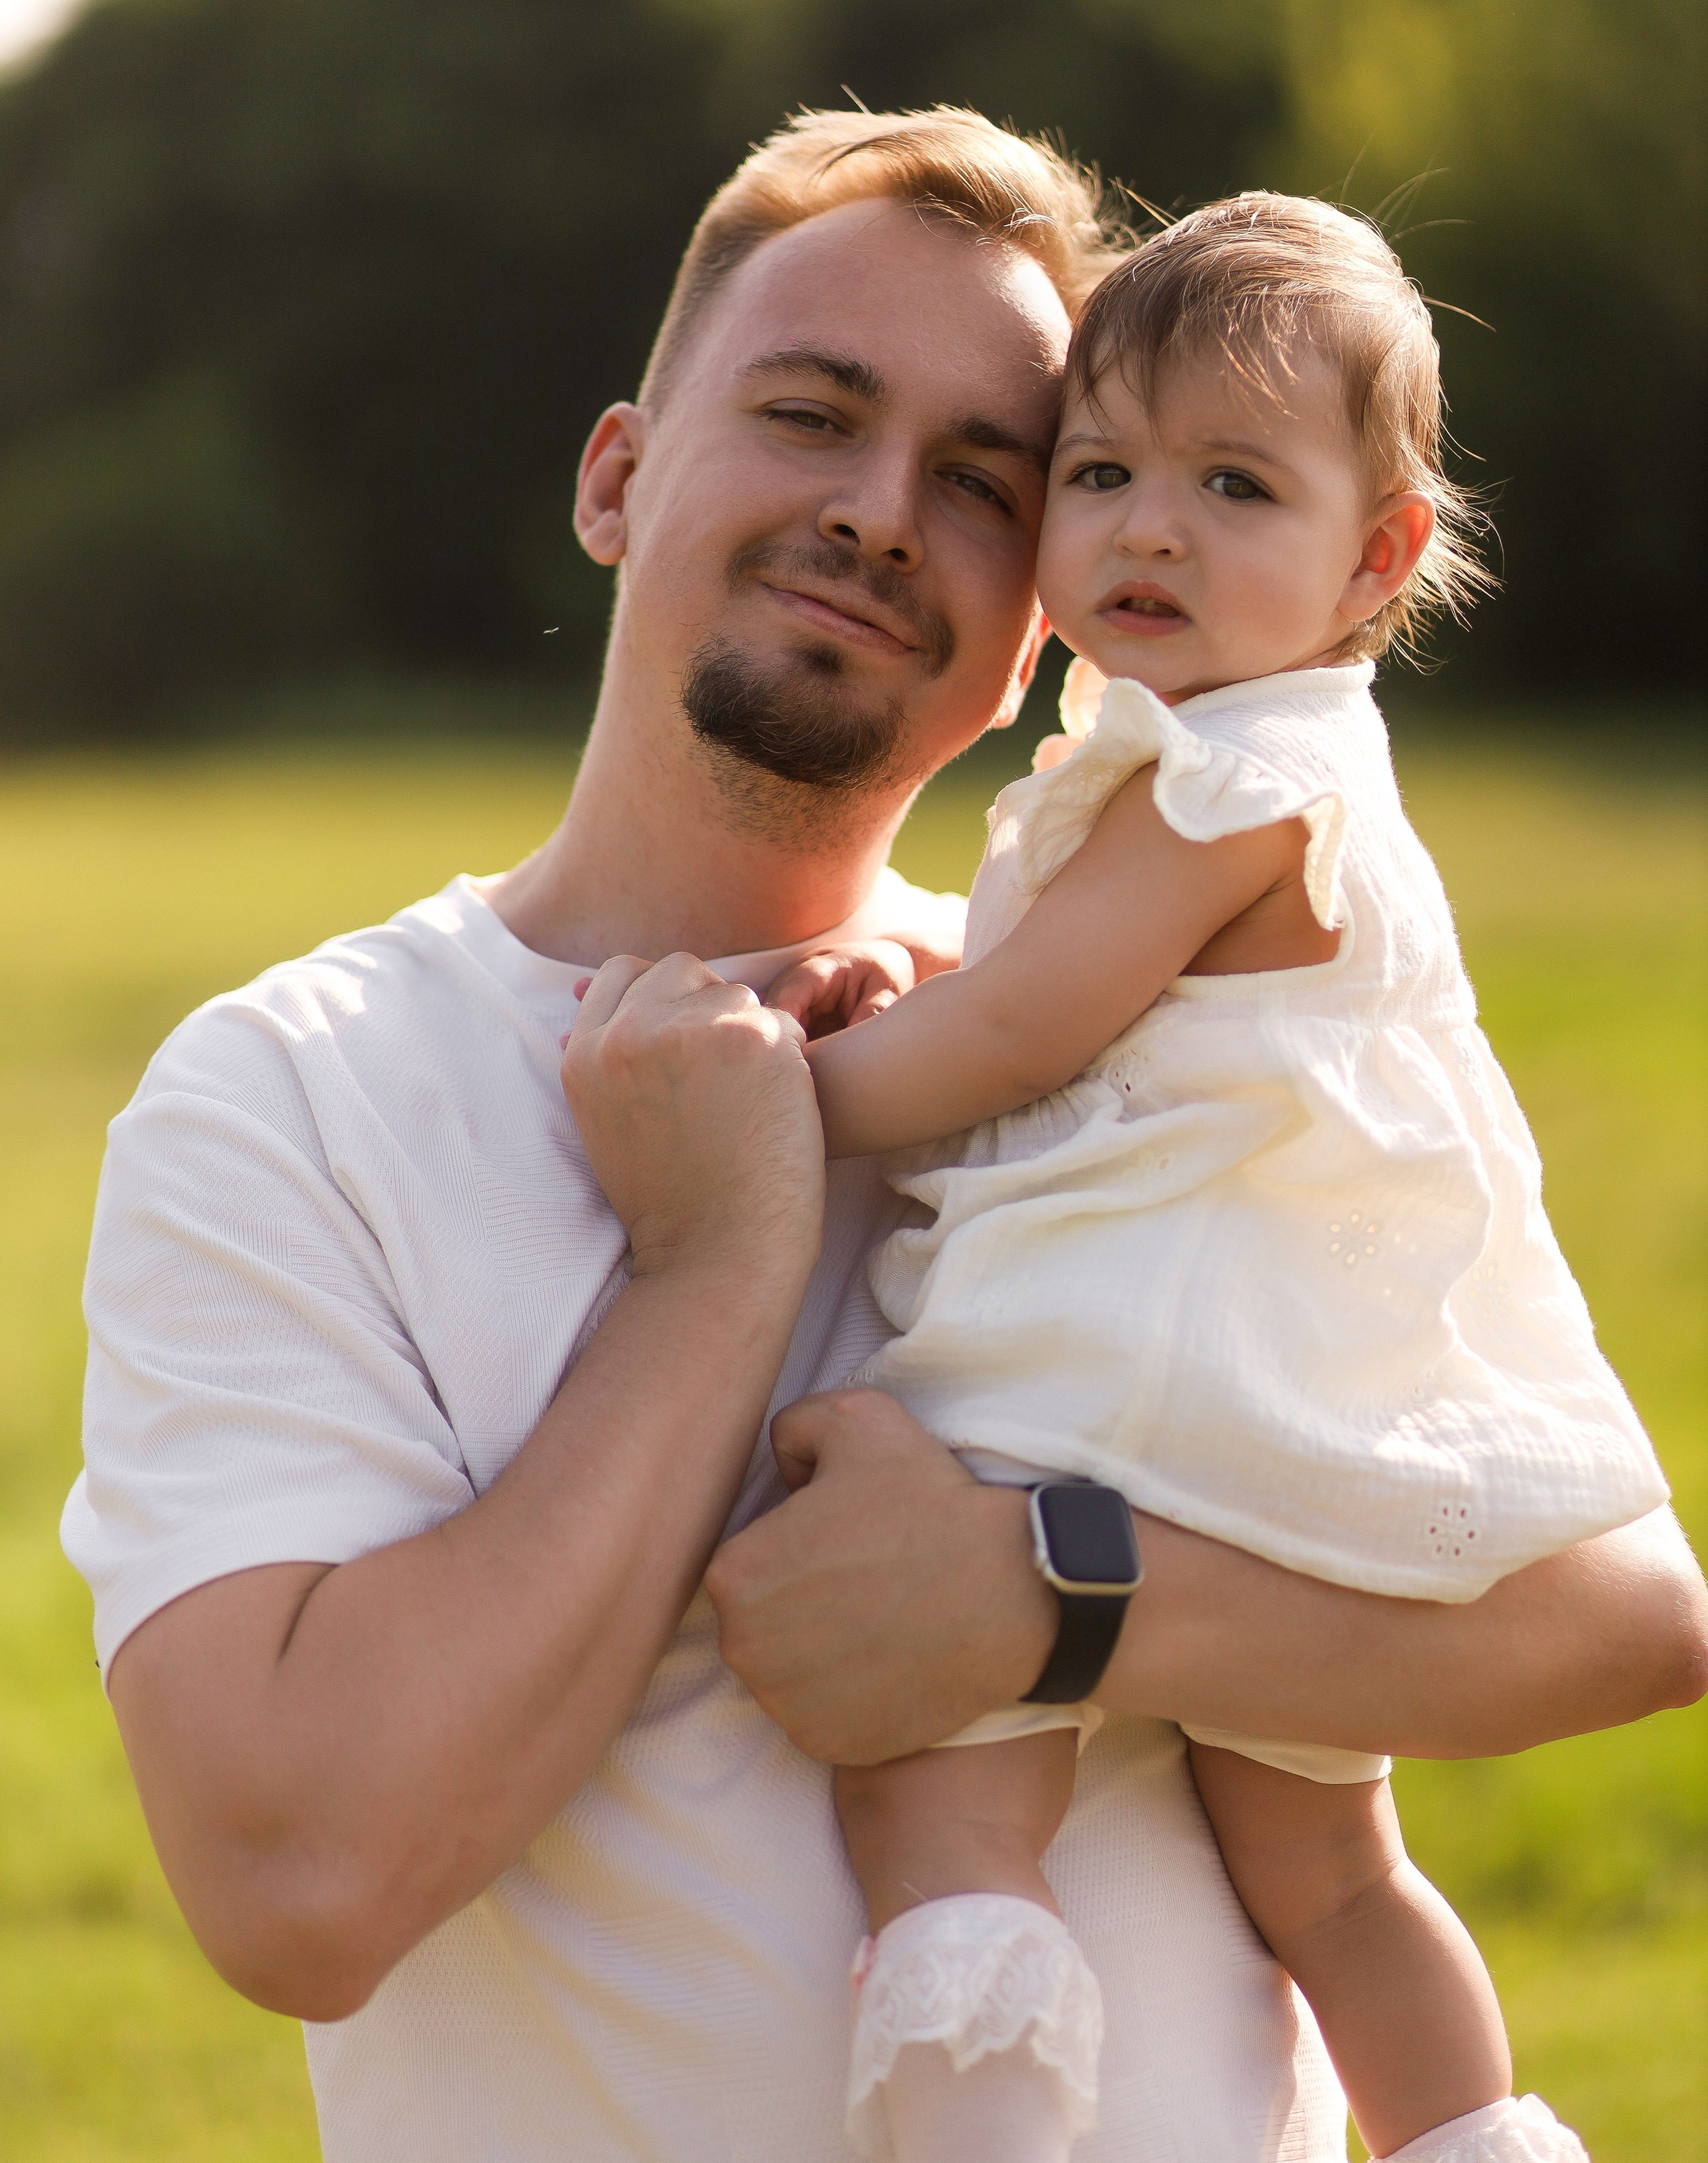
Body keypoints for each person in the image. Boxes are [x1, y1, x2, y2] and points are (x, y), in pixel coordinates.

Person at [61, 112, 1707, 2163]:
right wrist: (715, 1258)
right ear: (617, 476)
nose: (878, 512)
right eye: (811, 416)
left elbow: (1627, 1616)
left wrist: (1051, 1603)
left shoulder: (1169, 1037)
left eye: (985, 479)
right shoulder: (295, 1096)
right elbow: (298, 1885)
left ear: (1043, 622)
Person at [736, 193, 1665, 2163]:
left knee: (941, 1784)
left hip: (1137, 1360)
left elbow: (1021, 1036)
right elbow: (1079, 1012)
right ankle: (1470, 2137)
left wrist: (781, 1091)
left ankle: (981, 2125)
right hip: (1289, 1400)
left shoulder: (1226, 778)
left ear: (1378, 555)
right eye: (1101, 474)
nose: (1149, 530)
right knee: (1332, 1872)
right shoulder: (1265, 756)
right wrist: (929, 991)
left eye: (1234, 485)